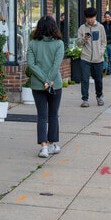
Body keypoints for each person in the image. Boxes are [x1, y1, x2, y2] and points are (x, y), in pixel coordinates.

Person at [27, 15, 64, 158]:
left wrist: (43, 80)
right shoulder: (59, 43)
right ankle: (52, 144)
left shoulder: (33, 43)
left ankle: (43, 148)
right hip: (55, 84)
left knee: (42, 116)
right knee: (53, 115)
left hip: (37, 85)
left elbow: (31, 64)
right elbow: (56, 64)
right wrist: (49, 80)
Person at [76, 7, 107, 107]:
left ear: (95, 16)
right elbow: (78, 43)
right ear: (86, 18)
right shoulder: (82, 28)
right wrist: (84, 39)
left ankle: (99, 96)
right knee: (84, 79)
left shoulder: (100, 27)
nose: (90, 20)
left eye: (92, 17)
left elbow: (104, 42)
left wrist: (101, 52)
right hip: (85, 58)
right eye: (88, 18)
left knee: (98, 79)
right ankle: (85, 99)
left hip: (98, 59)